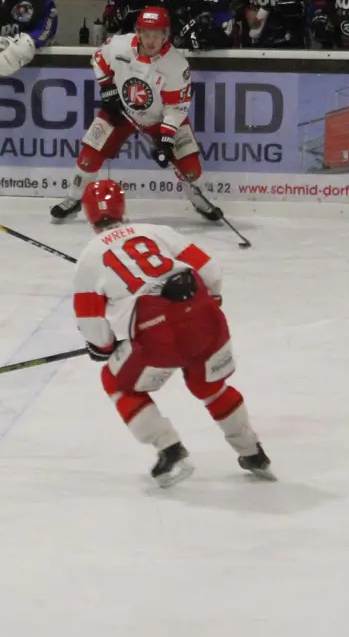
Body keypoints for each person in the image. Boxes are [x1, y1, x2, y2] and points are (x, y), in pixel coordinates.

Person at [71, 178, 270, 487]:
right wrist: (208, 303)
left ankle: (169, 447)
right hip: (206, 320)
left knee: (115, 381)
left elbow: (93, 327)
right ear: (122, 208)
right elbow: (212, 271)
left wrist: (104, 347)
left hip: (156, 337)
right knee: (210, 387)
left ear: (87, 214)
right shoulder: (156, 232)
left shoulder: (88, 258)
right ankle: (253, 452)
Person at [51, 7, 223, 224]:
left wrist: (167, 137)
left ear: (166, 35)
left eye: (157, 35)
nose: (151, 41)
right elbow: (98, 60)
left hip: (161, 118)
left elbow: (176, 106)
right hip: (121, 111)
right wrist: (107, 88)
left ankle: (201, 201)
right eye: (146, 34)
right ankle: (74, 198)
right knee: (89, 154)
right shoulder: (119, 45)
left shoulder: (176, 65)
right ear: (138, 32)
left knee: (189, 166)